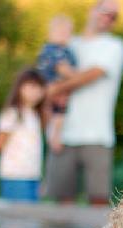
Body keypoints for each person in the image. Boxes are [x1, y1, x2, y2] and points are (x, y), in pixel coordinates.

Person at [45, 0, 123, 206]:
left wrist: (56, 88)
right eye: (105, 11)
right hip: (63, 135)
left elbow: (90, 75)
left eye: (113, 15)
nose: (107, 17)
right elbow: (45, 76)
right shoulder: (68, 43)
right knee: (61, 204)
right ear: (93, 10)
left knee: (98, 201)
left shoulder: (114, 46)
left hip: (97, 135)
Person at [0, 68, 46, 202]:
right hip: (15, 175)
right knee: (17, 219)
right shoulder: (12, 113)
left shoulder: (35, 115)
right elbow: (0, 143)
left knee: (30, 218)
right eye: (32, 86)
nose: (36, 91)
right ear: (20, 88)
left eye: (40, 87)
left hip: (32, 176)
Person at [36, 15, 78, 155]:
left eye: (67, 33)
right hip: (51, 87)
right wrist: (79, 77)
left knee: (59, 114)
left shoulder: (66, 50)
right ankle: (52, 137)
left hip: (60, 90)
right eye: (60, 32)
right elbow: (63, 69)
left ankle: (55, 136)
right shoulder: (52, 50)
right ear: (50, 33)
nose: (64, 36)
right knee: (51, 111)